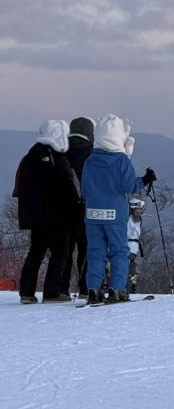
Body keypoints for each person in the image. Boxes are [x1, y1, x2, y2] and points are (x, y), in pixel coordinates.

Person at [81, 114, 155, 305]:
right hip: (115, 213)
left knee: (95, 252)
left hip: (92, 213)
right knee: (118, 251)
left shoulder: (89, 161)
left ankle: (93, 289)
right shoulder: (121, 161)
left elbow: (84, 190)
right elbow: (130, 186)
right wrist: (146, 179)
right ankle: (117, 289)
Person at [15, 120, 79, 304]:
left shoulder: (30, 156)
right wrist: (75, 207)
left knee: (35, 252)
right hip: (57, 216)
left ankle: (26, 292)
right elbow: (67, 186)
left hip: (35, 216)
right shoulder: (57, 159)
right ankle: (52, 292)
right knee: (59, 252)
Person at [62, 116, 94, 297]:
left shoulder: (60, 151)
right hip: (87, 207)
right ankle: (84, 287)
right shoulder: (92, 152)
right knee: (86, 248)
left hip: (63, 208)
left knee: (64, 250)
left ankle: (61, 288)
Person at [126, 198, 144, 293]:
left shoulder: (137, 220)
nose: (140, 212)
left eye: (141, 209)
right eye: (138, 209)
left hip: (134, 247)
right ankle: (125, 287)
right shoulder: (127, 219)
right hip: (127, 246)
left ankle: (132, 285)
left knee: (132, 266)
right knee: (127, 265)